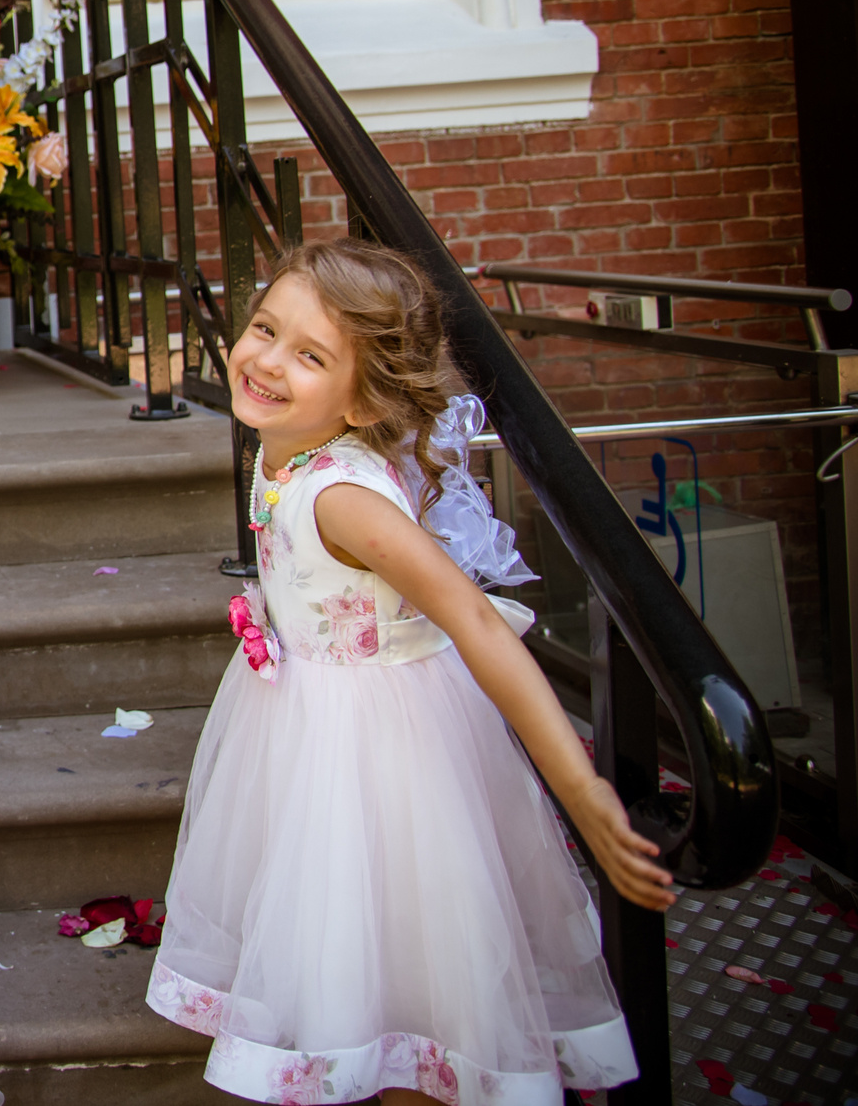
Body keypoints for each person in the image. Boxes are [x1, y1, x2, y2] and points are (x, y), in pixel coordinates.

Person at [147, 236, 669, 1104]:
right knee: (358, 964)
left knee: (417, 983)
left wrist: (577, 787)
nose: (267, 361)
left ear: (362, 401)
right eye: (265, 327)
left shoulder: (343, 496)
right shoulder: (282, 447)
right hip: (310, 727)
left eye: (310, 355)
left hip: (384, 758)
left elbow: (472, 617)